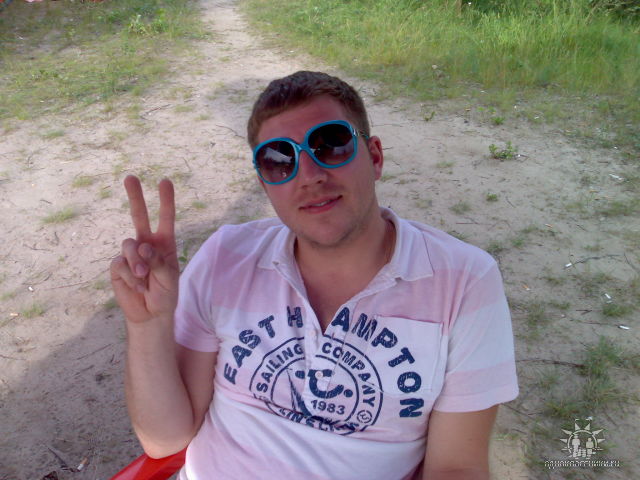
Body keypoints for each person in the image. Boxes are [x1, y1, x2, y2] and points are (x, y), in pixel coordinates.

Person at [110, 71, 518, 480]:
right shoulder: (226, 257)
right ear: (265, 184)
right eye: (279, 160)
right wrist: (147, 326)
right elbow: (165, 441)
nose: (309, 176)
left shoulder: (464, 282)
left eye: (331, 145)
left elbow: (457, 467)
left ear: (375, 157)